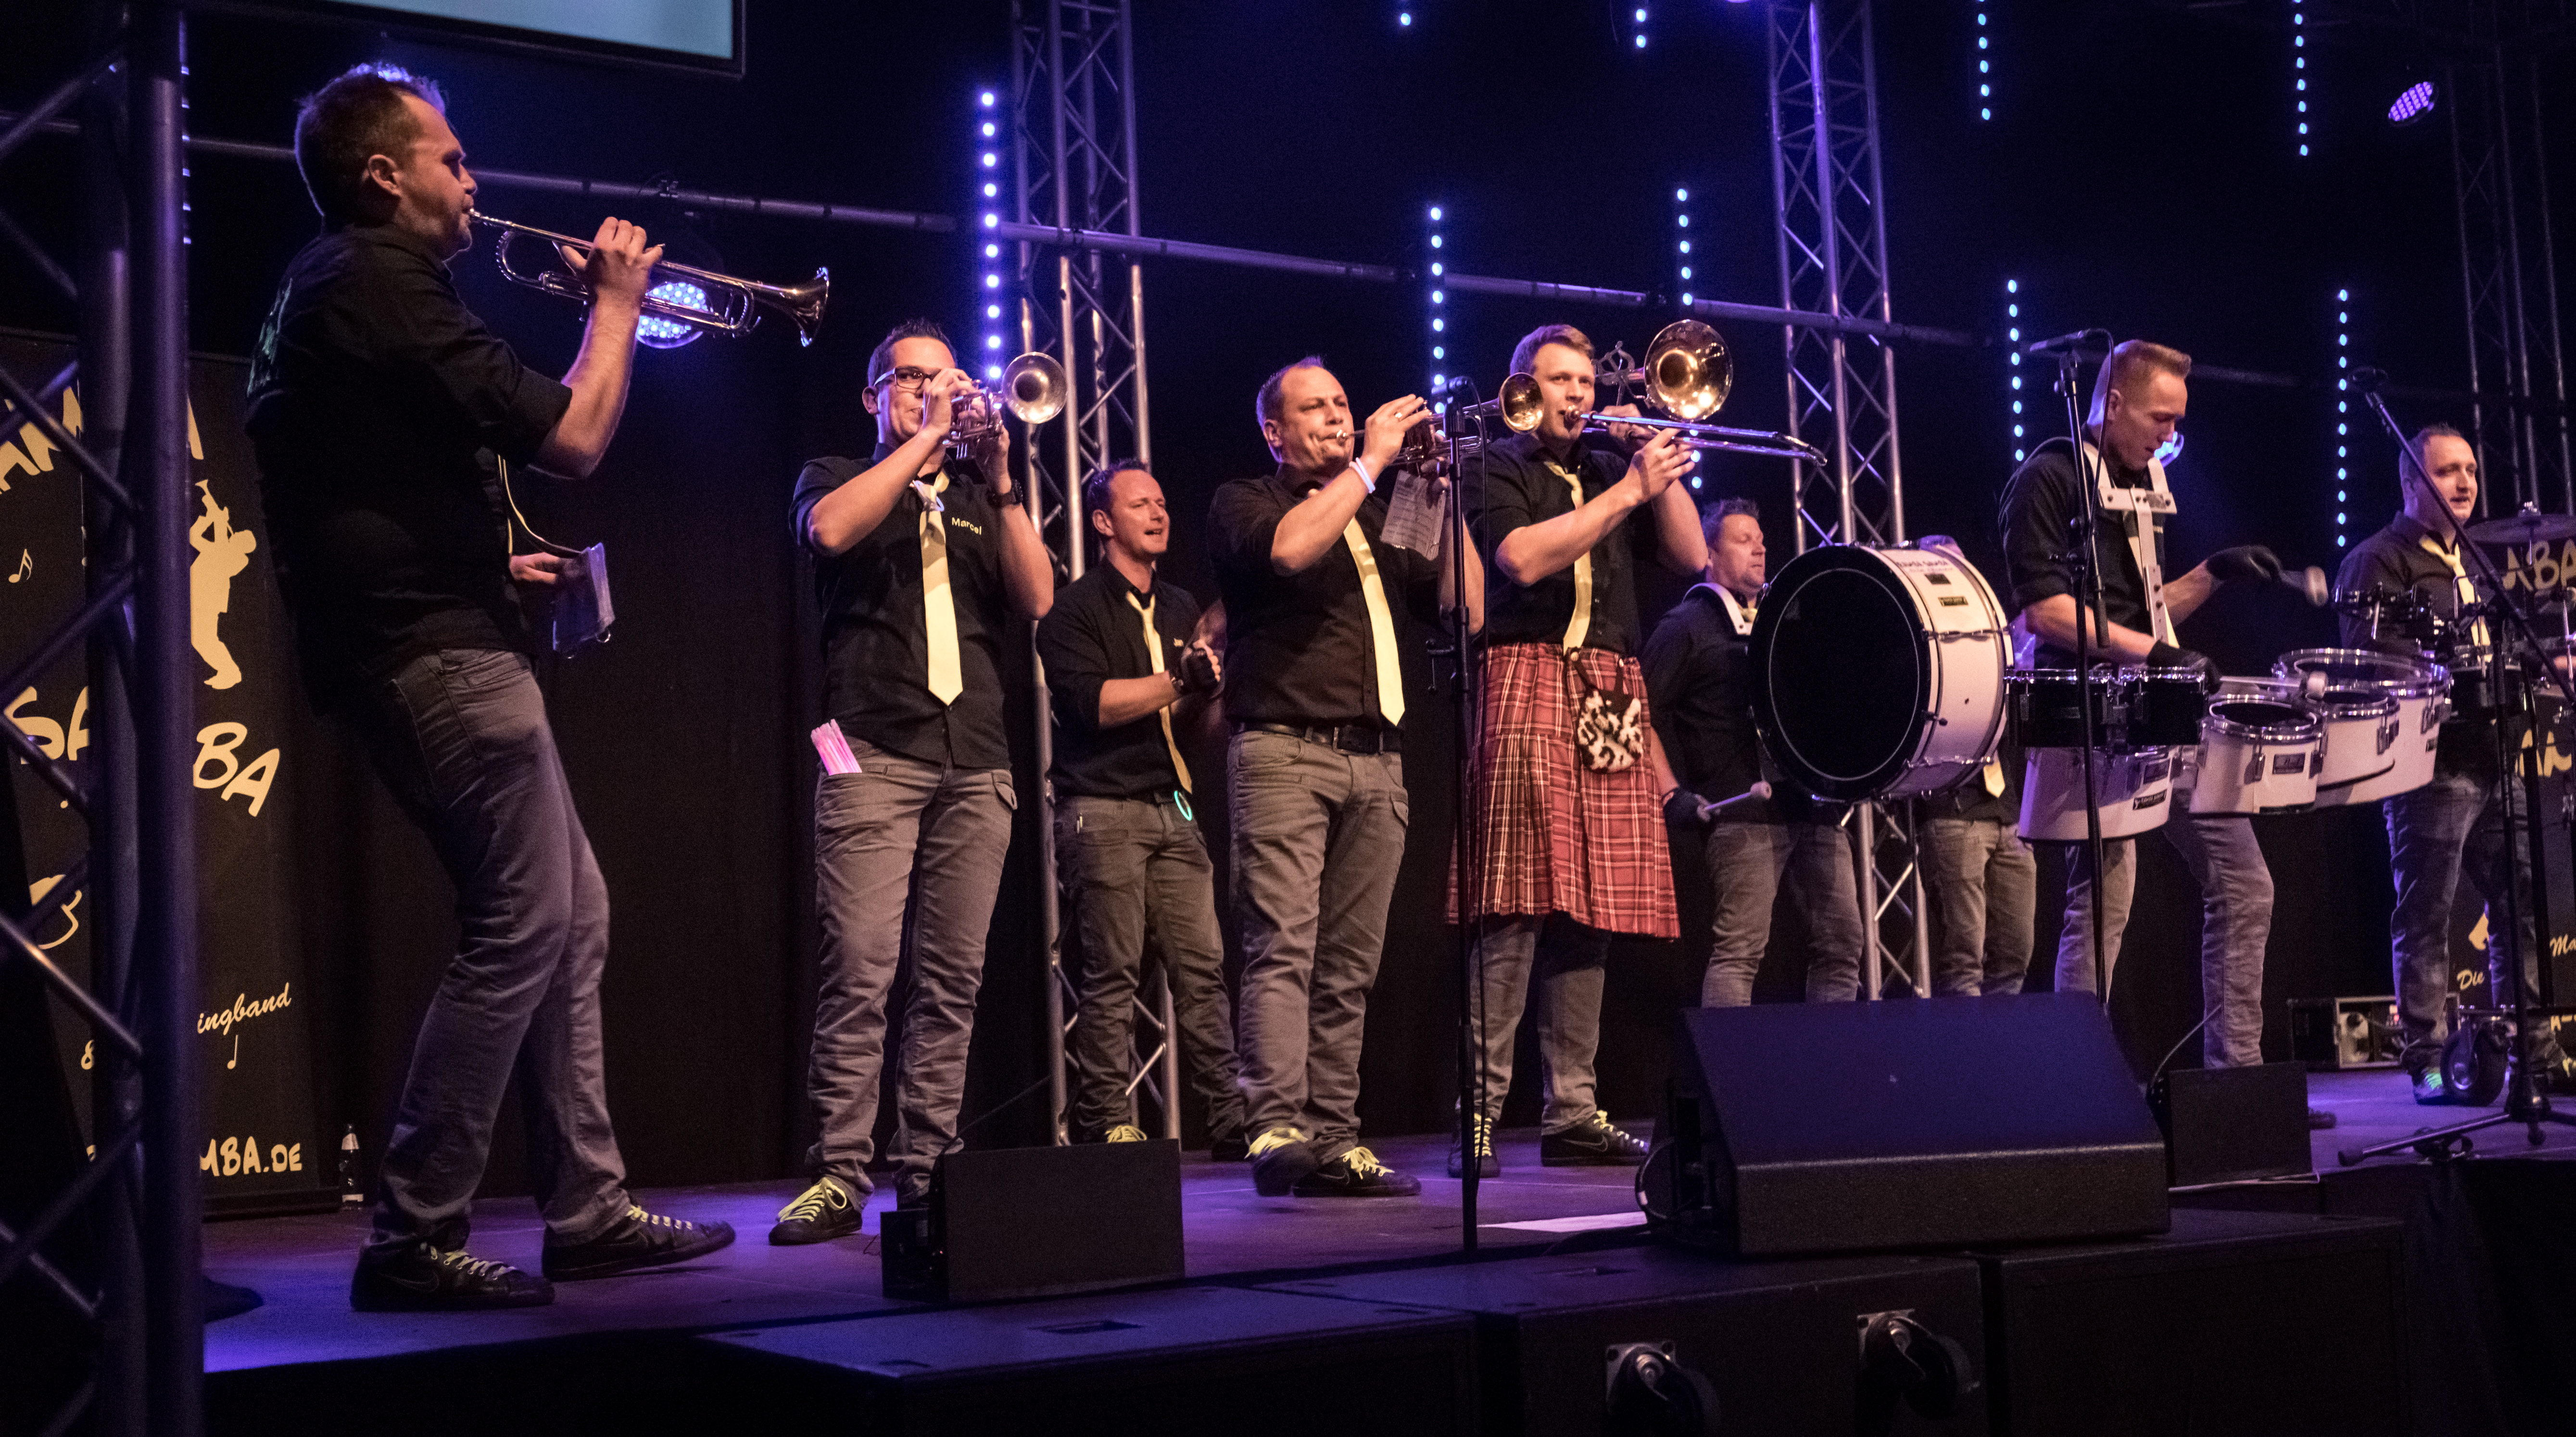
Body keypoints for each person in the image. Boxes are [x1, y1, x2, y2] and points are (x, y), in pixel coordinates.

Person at [246, 64, 732, 1311]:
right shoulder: (376, 276)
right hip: (430, 649)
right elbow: (574, 438)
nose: (474, 182)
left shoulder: (343, 285)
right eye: (452, 161)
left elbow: (349, 482)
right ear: (384, 176)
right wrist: (617, 307)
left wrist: (485, 556)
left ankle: (586, 1207)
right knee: (523, 918)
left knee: (573, 910)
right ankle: (413, 1233)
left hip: (424, 625)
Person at [772, 319, 1055, 1243]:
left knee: (951, 981)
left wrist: (1002, 480)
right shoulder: (834, 475)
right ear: (873, 397)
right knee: (860, 969)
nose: (931, 391)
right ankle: (839, 1172)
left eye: (945, 379)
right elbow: (829, 531)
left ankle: (930, 1167)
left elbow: (1039, 598)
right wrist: (929, 436)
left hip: (977, 761)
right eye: (909, 378)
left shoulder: (976, 499)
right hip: (870, 751)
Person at [1208, 356, 1481, 1198]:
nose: (1335, 415)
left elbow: (1466, 607)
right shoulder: (1245, 501)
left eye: (1341, 402)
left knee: (1351, 964)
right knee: (1282, 946)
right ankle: (1275, 1126)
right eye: (1314, 407)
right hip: (1285, 750)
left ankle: (1334, 1137)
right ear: (1274, 430)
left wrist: (1440, 493)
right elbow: (1292, 551)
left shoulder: (1375, 513)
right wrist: (1372, 460)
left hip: (1379, 760)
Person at [1998, 339, 2298, 1083]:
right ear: (2114, 403)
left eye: (2178, 421)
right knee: (2106, 898)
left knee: (2245, 882)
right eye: (2160, 418)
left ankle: (2236, 1077)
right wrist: (2158, 654)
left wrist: (2214, 572)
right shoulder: (2049, 478)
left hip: (2158, 707)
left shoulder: (2143, 485)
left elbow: (2147, 612)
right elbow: (2045, 612)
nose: (2170, 435)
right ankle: (2079, 1084)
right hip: (2088, 712)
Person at [1451, 324, 1702, 1178]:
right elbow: (1521, 560)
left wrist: (1653, 468)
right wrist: (1629, 490)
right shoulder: (1493, 464)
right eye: (1561, 380)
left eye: (1587, 383)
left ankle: (1572, 1110)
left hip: (1609, 685)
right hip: (1527, 674)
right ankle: (1479, 1114)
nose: (1578, 396)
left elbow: (1691, 554)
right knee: (1514, 906)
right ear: (1523, 388)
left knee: (1594, 907)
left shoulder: (1606, 467)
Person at [2336, 423, 2570, 1098]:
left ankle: (2534, 1049)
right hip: (2431, 767)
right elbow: (2368, 663)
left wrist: (2550, 663)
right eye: (2447, 471)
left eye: (2469, 469)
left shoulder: (2476, 557)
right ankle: (2429, 1059)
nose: (2465, 482)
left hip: (2496, 756)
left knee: (2521, 901)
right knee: (2427, 914)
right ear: (2412, 482)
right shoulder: (2378, 560)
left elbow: (2502, 654)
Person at [1035, 459, 1248, 1155]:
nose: (1159, 514)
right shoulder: (1073, 609)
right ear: (1102, 522)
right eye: (1140, 505)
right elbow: (1092, 706)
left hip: (1175, 807)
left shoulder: (1183, 606)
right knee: (1113, 971)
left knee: (1203, 970)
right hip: (1102, 809)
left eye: (1161, 502)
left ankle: (1231, 1119)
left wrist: (1216, 693)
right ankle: (1108, 1119)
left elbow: (1191, 721)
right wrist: (1178, 679)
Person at [1646, 498, 1865, 1006]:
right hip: (1741, 811)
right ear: (1708, 553)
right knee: (1740, 951)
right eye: (1743, 540)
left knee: (1843, 944)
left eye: (1761, 540)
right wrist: (1671, 793)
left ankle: (1832, 1057)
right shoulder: (1686, 625)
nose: (1760, 549)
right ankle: (1728, 1061)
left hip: (1811, 805)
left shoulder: (1784, 620)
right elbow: (1638, 711)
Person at [1913, 536, 2038, 997]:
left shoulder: (1995, 637)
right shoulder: (1918, 647)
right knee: (1965, 958)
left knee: (2015, 954)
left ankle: (2001, 1044)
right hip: (1953, 813)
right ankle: (1964, 1045)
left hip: (2009, 814)